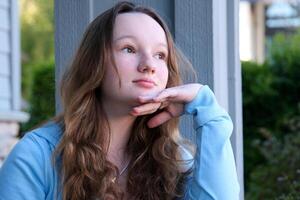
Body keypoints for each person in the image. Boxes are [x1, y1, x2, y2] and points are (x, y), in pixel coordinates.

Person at [0, 1, 240, 200]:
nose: (149, 65)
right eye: (129, 49)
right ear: (94, 63)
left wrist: (207, 108)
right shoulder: (37, 156)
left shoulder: (174, 161)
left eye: (160, 55)